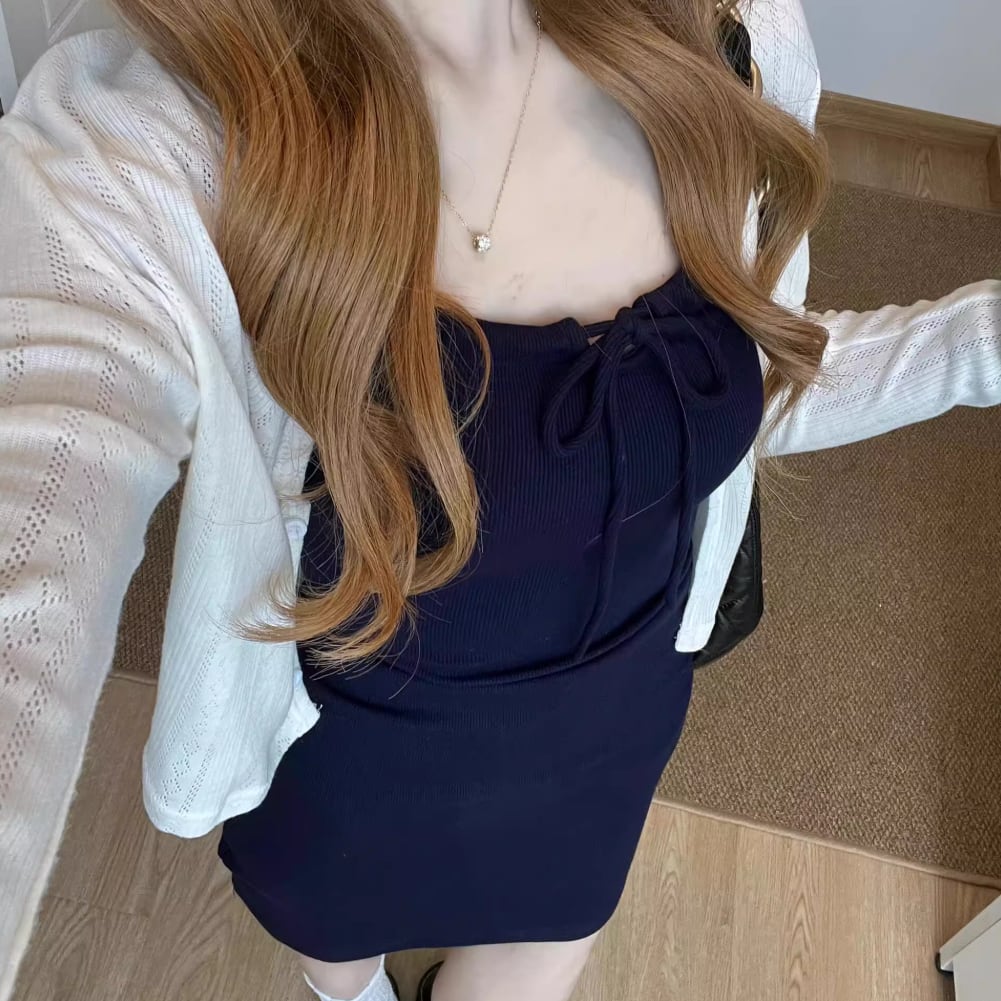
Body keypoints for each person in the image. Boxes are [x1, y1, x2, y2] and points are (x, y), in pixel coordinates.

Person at [0, 0, 998, 999]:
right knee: (334, 951)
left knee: (540, 949)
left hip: (610, 710)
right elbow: (39, 504)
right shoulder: (155, 135)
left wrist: (974, 345)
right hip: (339, 736)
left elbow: (739, 381)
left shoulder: (736, 38)